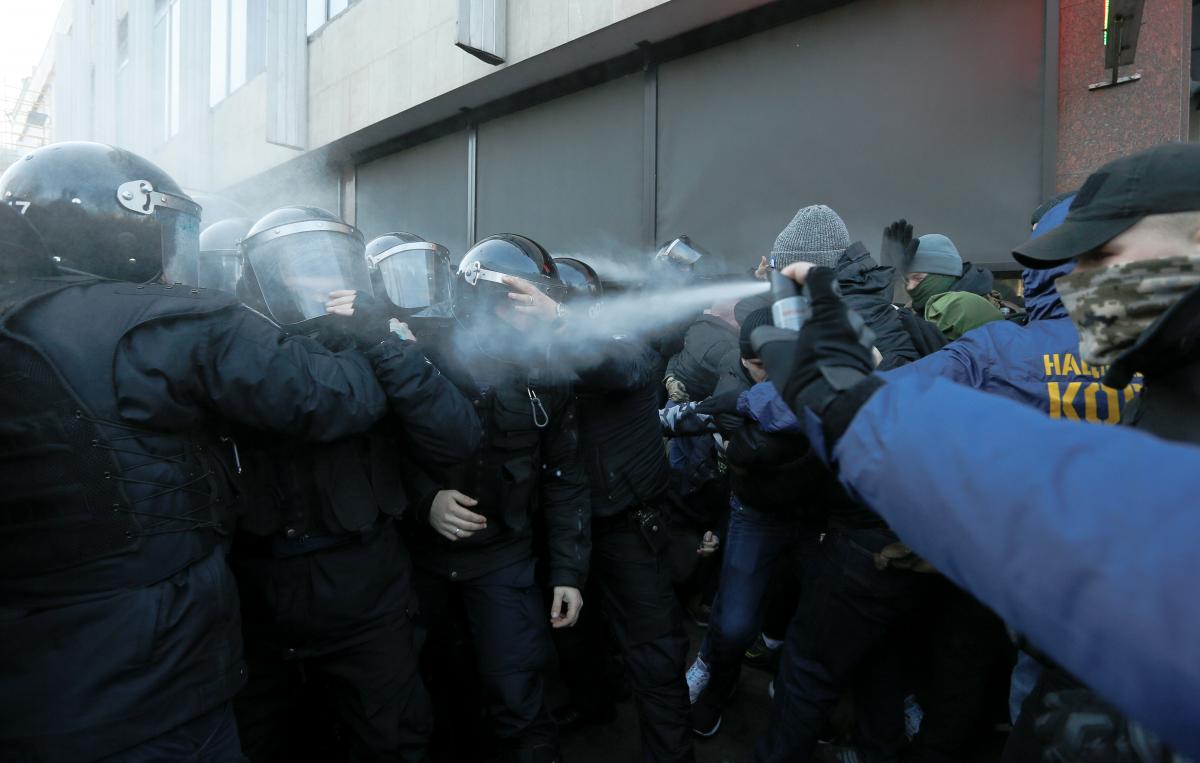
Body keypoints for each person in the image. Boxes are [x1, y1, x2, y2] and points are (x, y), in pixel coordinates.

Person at [751, 143, 1200, 761]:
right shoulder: (1162, 377)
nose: (1081, 283)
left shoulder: (996, 348)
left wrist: (847, 406)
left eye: (1103, 255)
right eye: (1072, 263)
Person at [0, 141, 412, 761]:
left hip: (34, 679)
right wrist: (361, 338)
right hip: (153, 667)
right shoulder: (173, 322)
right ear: (124, 226)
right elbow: (331, 399)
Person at [228, 207, 481, 762]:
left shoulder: (372, 345)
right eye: (299, 272)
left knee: (388, 739)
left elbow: (455, 438)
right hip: (258, 601)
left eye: (330, 270)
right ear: (261, 278)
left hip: (365, 595)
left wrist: (382, 343)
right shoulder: (233, 348)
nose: (320, 286)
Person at [345, 233, 589, 763]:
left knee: (519, 697)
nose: (540, 315)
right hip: (419, 561)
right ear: (487, 300)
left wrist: (570, 571)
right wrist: (425, 499)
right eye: (525, 301)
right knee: (415, 694)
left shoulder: (548, 371)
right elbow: (381, 452)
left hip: (503, 559)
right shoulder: (423, 352)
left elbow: (565, 475)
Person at [509, 256, 695, 762]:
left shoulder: (625, 345)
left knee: (653, 656)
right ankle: (595, 708)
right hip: (566, 529)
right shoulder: (541, 355)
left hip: (628, 530)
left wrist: (561, 324)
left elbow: (613, 367)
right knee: (574, 639)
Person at [681, 308, 826, 739]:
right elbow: (710, 424)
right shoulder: (731, 381)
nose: (764, 372)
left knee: (810, 615)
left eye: (772, 361)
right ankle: (717, 676)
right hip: (755, 513)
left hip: (815, 515)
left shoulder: (811, 376)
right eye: (755, 363)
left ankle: (794, 693)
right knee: (735, 621)